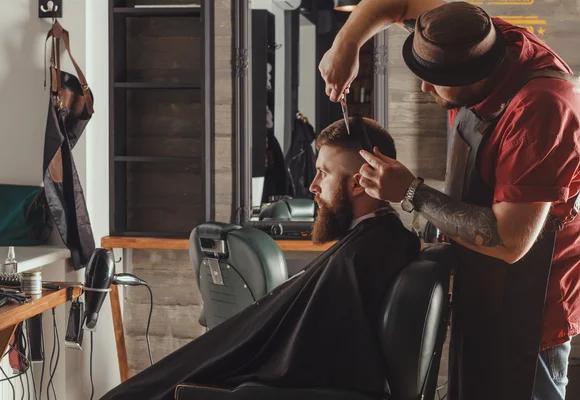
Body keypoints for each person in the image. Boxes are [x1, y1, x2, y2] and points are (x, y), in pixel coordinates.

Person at [319, 2, 580, 400]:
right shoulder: (472, 33)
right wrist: (345, 45)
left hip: (534, 305)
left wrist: (410, 193)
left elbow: (510, 240)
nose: (424, 88)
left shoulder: (542, 112)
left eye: (437, 81)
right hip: (485, 289)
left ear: (477, 74)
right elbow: (395, 3)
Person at [100, 118, 421, 400]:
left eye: (323, 173)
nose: (312, 186)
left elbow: (308, 362)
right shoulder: (375, 243)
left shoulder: (361, 255)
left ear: (358, 183)